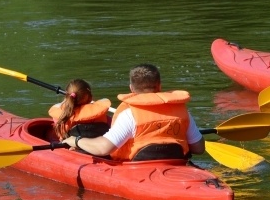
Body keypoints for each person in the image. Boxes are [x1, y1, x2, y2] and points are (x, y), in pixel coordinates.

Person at [62, 64, 206, 161]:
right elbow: (199, 148)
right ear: (160, 86)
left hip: (137, 169)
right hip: (175, 167)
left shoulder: (129, 114)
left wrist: (75, 140)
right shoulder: (181, 110)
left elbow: (103, 148)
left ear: (131, 88)